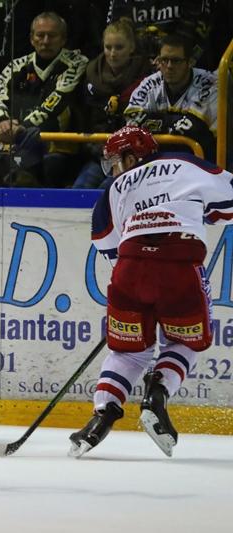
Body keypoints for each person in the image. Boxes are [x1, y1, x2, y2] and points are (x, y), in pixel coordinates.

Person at [70, 125, 233, 458]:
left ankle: (101, 416)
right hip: (179, 264)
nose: (114, 168)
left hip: (130, 270)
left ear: (132, 156)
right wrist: (202, 213)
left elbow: (107, 245)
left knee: (129, 351)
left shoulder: (115, 188)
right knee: (186, 340)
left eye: (116, 160)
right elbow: (227, 202)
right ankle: (157, 392)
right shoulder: (187, 164)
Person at [0, 11, 88, 188]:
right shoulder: (16, 66)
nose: (45, 41)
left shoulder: (76, 62)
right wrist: (2, 121)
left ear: (63, 39)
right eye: (40, 35)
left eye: (51, 36)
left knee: (50, 166)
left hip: (58, 148)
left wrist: (21, 128)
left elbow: (56, 102)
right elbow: (0, 99)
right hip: (17, 143)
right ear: (31, 38)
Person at [73, 17, 152, 189]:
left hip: (132, 158)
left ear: (131, 48)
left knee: (109, 190)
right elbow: (86, 119)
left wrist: (123, 155)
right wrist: (102, 150)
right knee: (79, 190)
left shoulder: (147, 78)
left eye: (119, 47)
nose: (113, 53)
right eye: (108, 47)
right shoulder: (91, 74)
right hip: (100, 155)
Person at [124, 33, 217, 163]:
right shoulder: (149, 83)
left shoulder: (210, 84)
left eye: (176, 61)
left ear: (190, 62)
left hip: (197, 164)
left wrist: (153, 123)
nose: (169, 66)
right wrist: (172, 123)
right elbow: (132, 124)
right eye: (164, 60)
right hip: (154, 163)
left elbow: (197, 130)